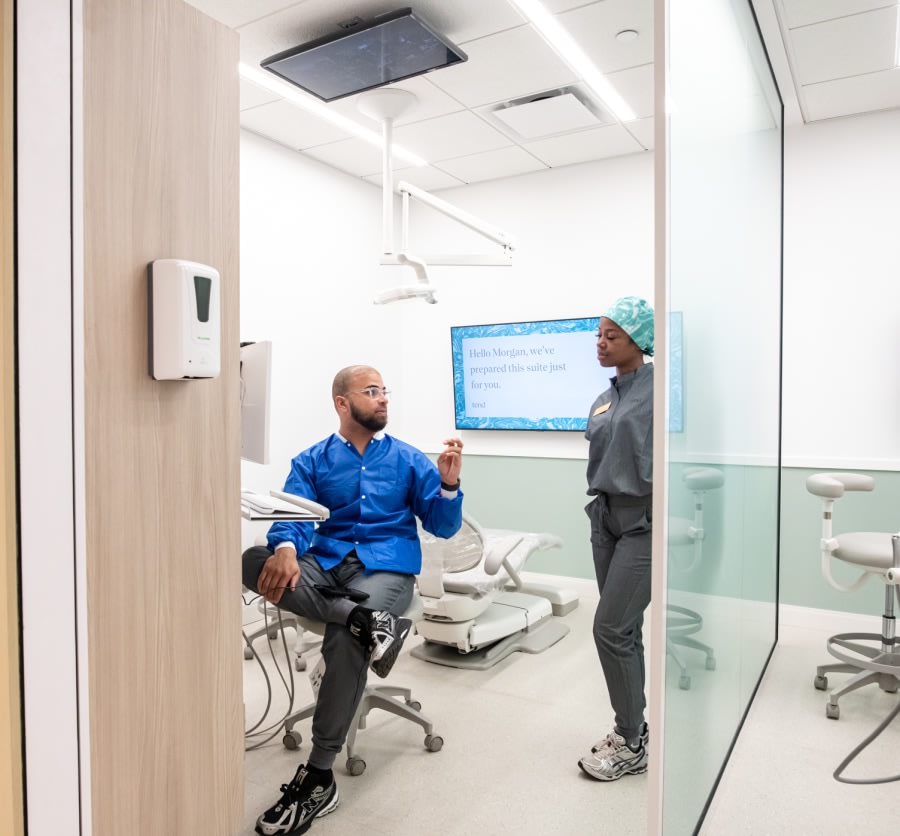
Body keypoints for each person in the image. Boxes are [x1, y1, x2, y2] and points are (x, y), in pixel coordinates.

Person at [243, 365, 464, 835]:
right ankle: (366, 619)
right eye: (371, 391)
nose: (383, 399)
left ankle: (319, 775)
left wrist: (447, 486)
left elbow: (442, 526)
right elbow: (294, 517)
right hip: (326, 563)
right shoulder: (312, 460)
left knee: (346, 636)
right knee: (251, 559)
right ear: (343, 403)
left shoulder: (408, 459)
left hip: (385, 568)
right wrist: (284, 549)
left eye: (385, 391)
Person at [578, 296, 654, 782]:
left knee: (608, 629)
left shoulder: (661, 392)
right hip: (604, 519)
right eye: (599, 334)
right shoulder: (604, 397)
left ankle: (629, 741)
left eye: (613, 335)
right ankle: (637, 730)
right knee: (625, 631)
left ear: (638, 340)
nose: (601, 343)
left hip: (642, 524)